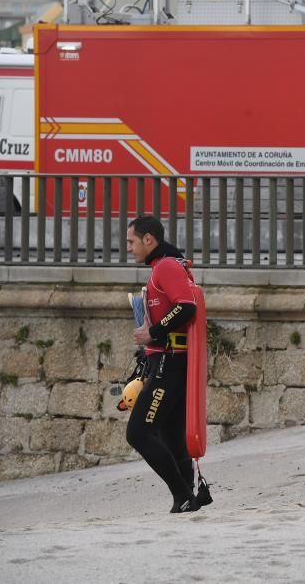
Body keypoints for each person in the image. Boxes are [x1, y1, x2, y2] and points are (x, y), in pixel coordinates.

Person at [125, 215, 208, 513]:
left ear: (149, 240)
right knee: (171, 436)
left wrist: (153, 332)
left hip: (170, 365)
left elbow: (187, 307)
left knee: (139, 432)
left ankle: (182, 494)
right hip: (166, 360)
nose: (129, 248)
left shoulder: (166, 267)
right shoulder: (164, 267)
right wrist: (149, 347)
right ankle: (188, 500)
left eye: (132, 242)